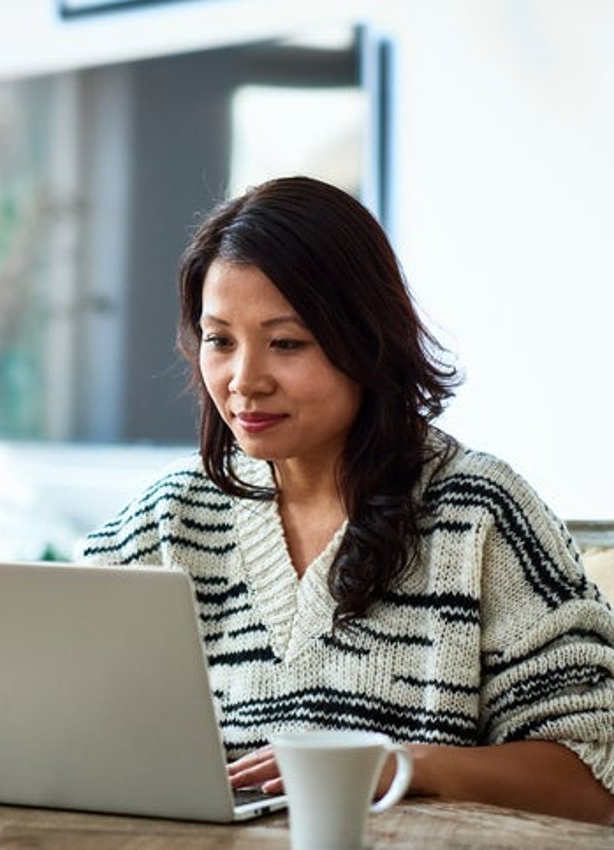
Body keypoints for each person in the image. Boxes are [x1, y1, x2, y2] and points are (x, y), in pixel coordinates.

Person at [75, 176, 614, 824]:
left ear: (365, 340)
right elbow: (54, 711)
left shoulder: (479, 513)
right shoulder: (170, 518)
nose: (245, 380)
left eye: (287, 343)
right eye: (220, 339)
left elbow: (595, 773)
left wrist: (397, 766)